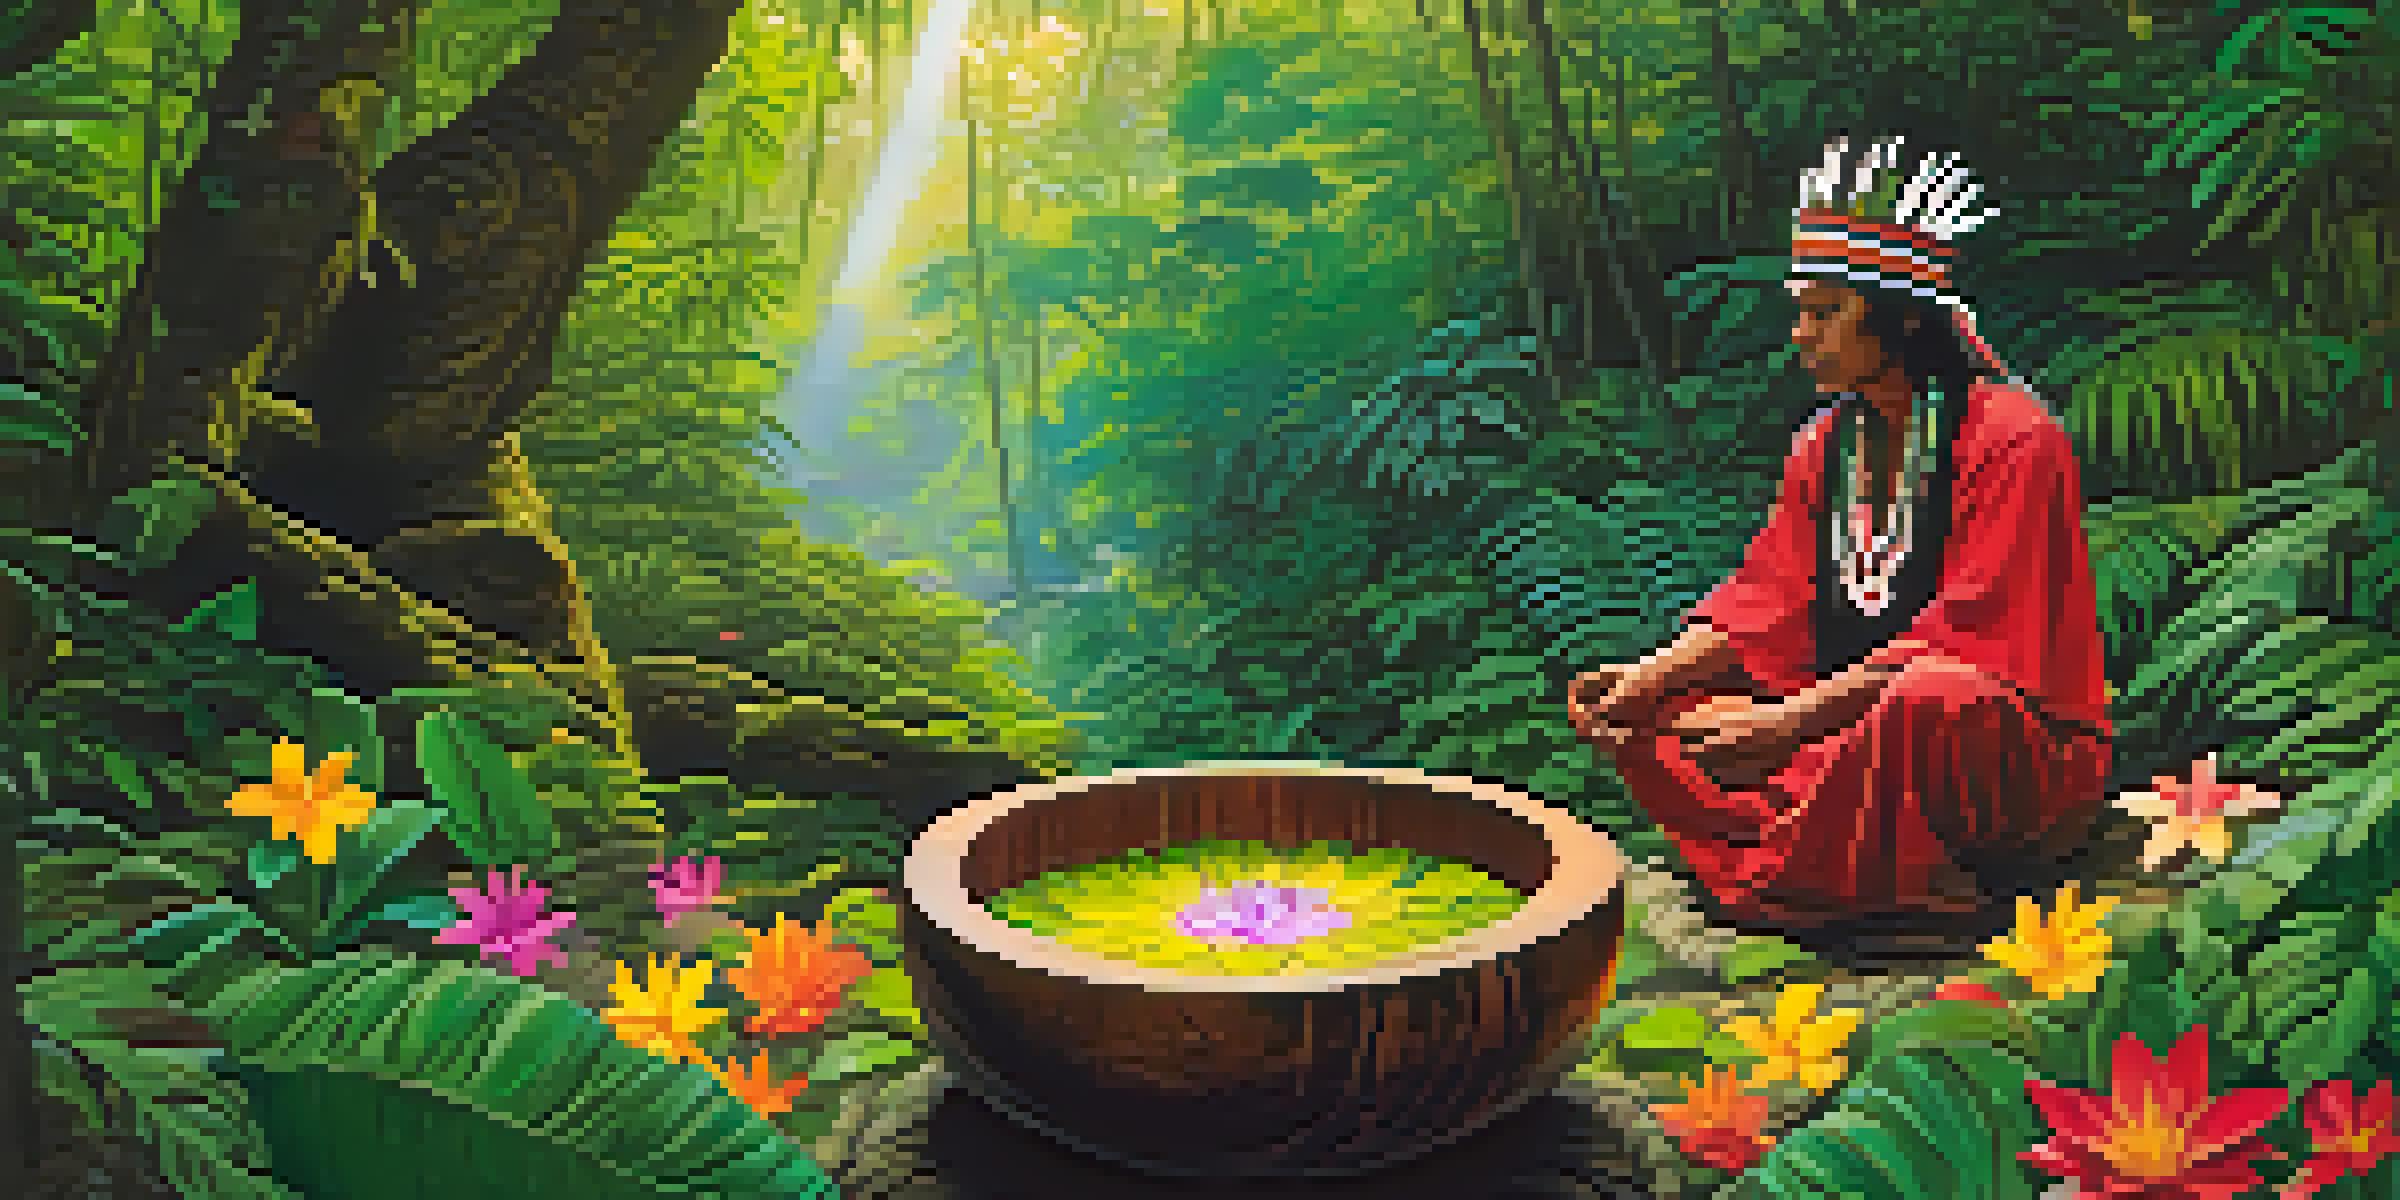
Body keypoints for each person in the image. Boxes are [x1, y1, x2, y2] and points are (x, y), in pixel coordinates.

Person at [1566, 135, 2112, 952]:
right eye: (1801, 312)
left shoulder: (2014, 438)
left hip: (1997, 751)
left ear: (1898, 316)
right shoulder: (1824, 446)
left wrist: (1787, 725)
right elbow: (1770, 601)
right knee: (1666, 718)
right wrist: (1640, 685)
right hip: (1846, 727)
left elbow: (1971, 641)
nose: (1801, 334)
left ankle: (1898, 882)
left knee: (1930, 702)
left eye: (1825, 313)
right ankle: (1874, 871)